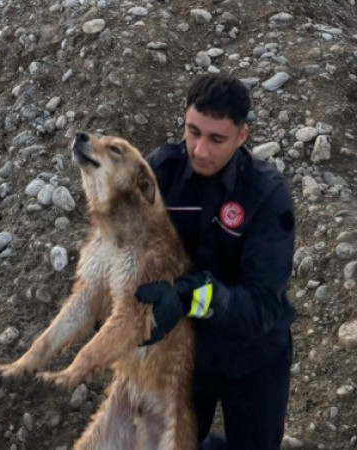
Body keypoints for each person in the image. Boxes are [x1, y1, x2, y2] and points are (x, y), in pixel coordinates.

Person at [134, 74, 296, 450]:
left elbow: (262, 304)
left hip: (254, 353)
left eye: (216, 139)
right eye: (193, 132)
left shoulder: (267, 197)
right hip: (184, 355)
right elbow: (125, 247)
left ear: (242, 136)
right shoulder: (161, 173)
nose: (200, 150)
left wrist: (189, 297)